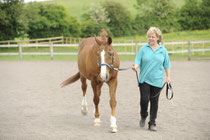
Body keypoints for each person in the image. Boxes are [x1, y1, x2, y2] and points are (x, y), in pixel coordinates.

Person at [132, 27, 171, 131]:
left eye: (153, 37)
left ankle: (152, 123)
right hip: (144, 79)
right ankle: (143, 115)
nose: (150, 38)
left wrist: (168, 77)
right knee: (144, 99)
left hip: (157, 80)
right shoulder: (143, 49)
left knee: (154, 102)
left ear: (158, 37)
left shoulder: (163, 50)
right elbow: (137, 61)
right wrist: (135, 66)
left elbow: (167, 65)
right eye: (149, 36)